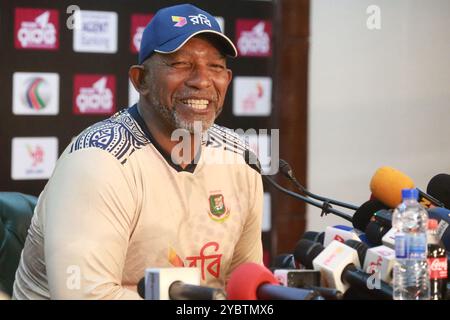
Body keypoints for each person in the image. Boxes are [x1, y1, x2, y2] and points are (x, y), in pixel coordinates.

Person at [12, 4, 263, 299]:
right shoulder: (98, 161)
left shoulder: (239, 159)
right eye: (180, 64)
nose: (202, 80)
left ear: (227, 80)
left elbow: (243, 283)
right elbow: (85, 296)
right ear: (140, 79)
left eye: (216, 67)